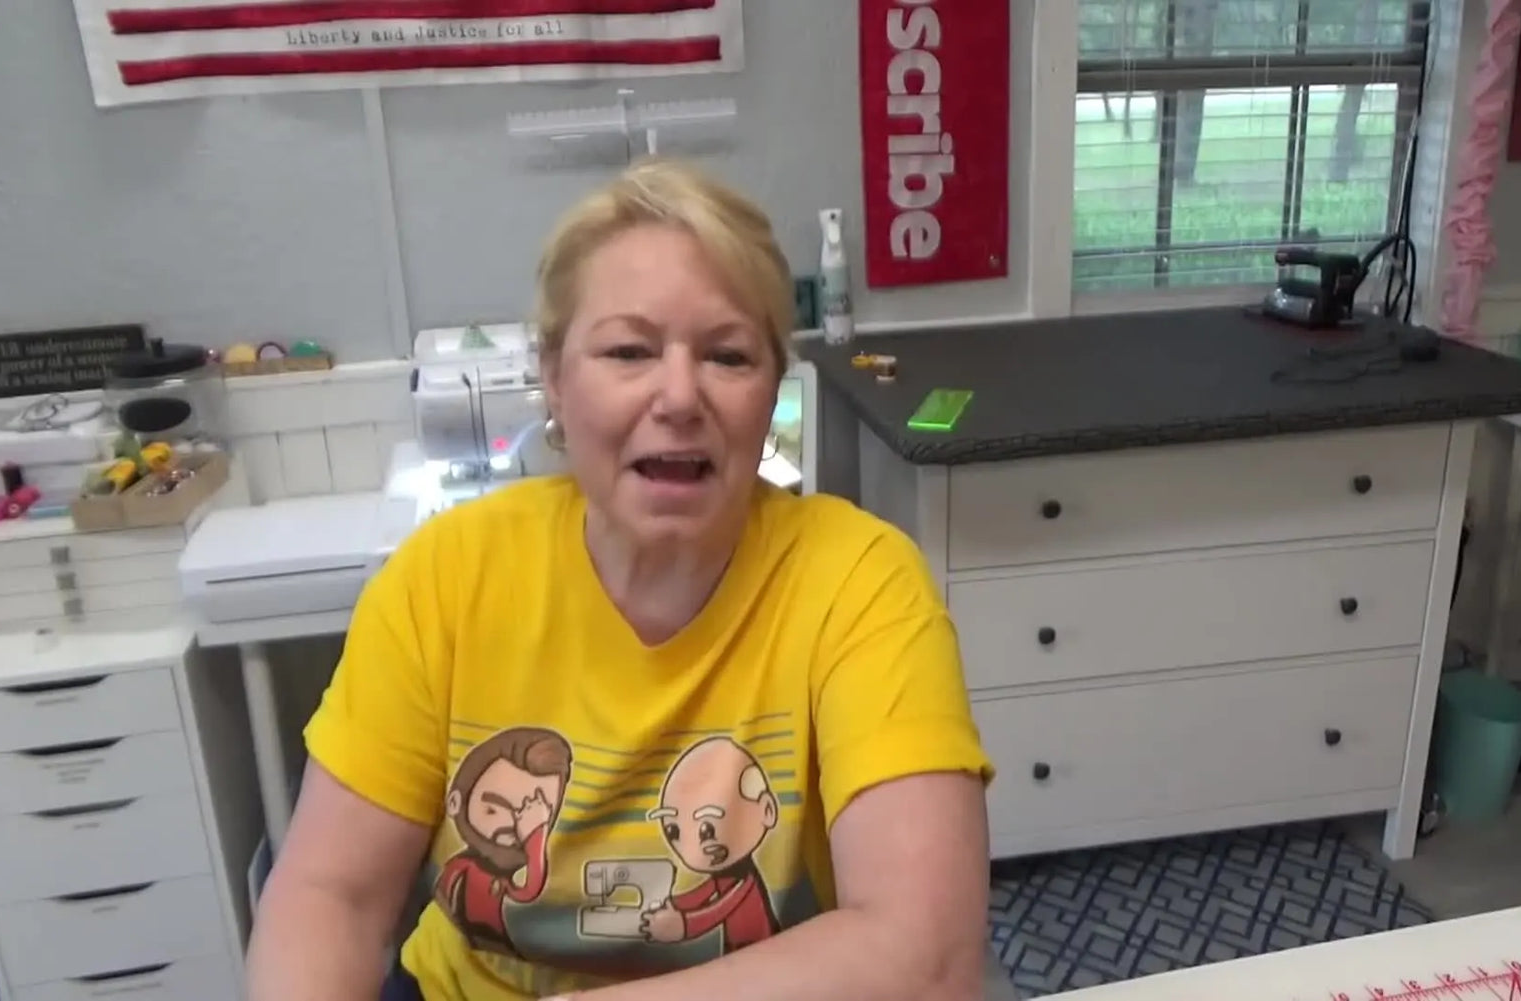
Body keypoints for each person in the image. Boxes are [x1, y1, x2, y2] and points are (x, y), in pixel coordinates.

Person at [244, 158, 996, 1001]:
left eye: (728, 355)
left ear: (770, 392)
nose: (679, 395)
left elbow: (925, 957)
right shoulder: (445, 578)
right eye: (630, 350)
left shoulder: (860, 585)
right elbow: (328, 896)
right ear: (556, 378)